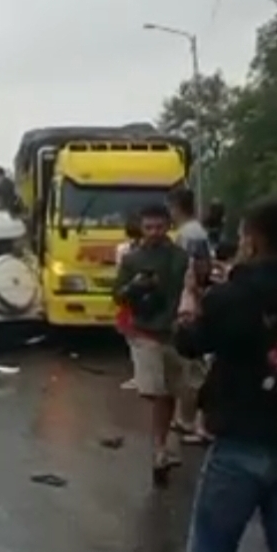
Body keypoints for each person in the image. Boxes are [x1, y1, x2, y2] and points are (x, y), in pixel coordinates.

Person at [175, 198, 277, 552]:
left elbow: (189, 341)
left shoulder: (233, 296)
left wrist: (191, 296)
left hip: (240, 443)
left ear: (252, 237)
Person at [113, 202, 189, 486]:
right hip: (145, 333)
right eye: (149, 227)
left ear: (168, 226)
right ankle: (160, 447)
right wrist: (134, 286)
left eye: (159, 227)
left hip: (175, 333)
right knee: (155, 392)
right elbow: (118, 296)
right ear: (141, 228)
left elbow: (190, 288)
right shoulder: (132, 259)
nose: (154, 233)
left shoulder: (181, 258)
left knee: (171, 393)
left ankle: (164, 444)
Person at [168, 188, 211, 445]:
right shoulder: (196, 231)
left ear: (176, 206)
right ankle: (189, 419)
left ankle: (194, 422)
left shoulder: (188, 234)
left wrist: (190, 295)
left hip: (191, 299)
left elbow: (196, 267)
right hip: (195, 296)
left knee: (193, 367)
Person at [116, 213, 142, 391]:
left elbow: (120, 273)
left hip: (129, 295)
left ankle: (139, 376)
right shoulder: (148, 251)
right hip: (142, 297)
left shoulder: (123, 250)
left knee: (133, 338)